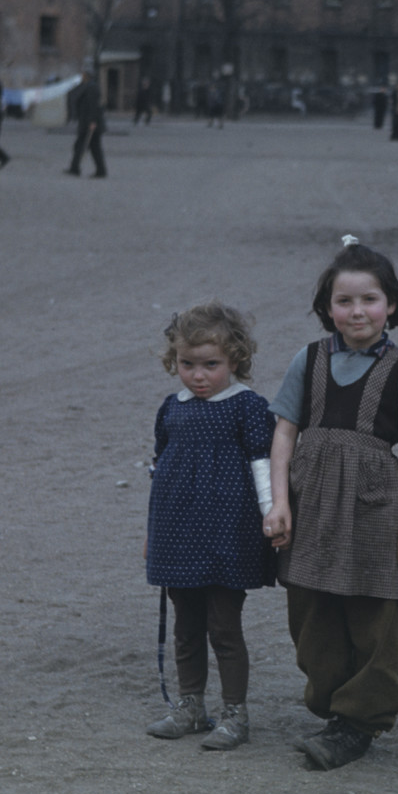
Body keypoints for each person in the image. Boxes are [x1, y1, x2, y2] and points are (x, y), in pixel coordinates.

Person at [262, 237, 398, 770]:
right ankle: (332, 705)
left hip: (372, 506)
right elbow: (284, 433)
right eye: (344, 301)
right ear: (327, 307)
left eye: (370, 299)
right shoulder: (307, 360)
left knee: (372, 612)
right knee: (311, 611)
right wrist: (278, 502)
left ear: (393, 305)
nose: (357, 311)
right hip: (310, 502)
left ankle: (359, 720)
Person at [144, 303, 278, 750]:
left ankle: (235, 714)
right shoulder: (171, 409)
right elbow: (160, 469)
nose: (198, 376)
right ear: (174, 361)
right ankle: (191, 705)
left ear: (235, 359)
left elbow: (264, 463)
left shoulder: (248, 407)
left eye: (211, 365)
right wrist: (152, 534)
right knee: (186, 624)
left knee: (224, 626)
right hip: (177, 532)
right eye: (187, 365)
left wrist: (271, 513)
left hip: (228, 533)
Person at [65, 79, 108, 178]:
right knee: (86, 147)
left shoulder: (92, 88)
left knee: (85, 146)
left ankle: (76, 168)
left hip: (90, 124)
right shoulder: (86, 87)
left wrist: (93, 121)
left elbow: (94, 106)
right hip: (87, 122)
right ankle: (77, 167)